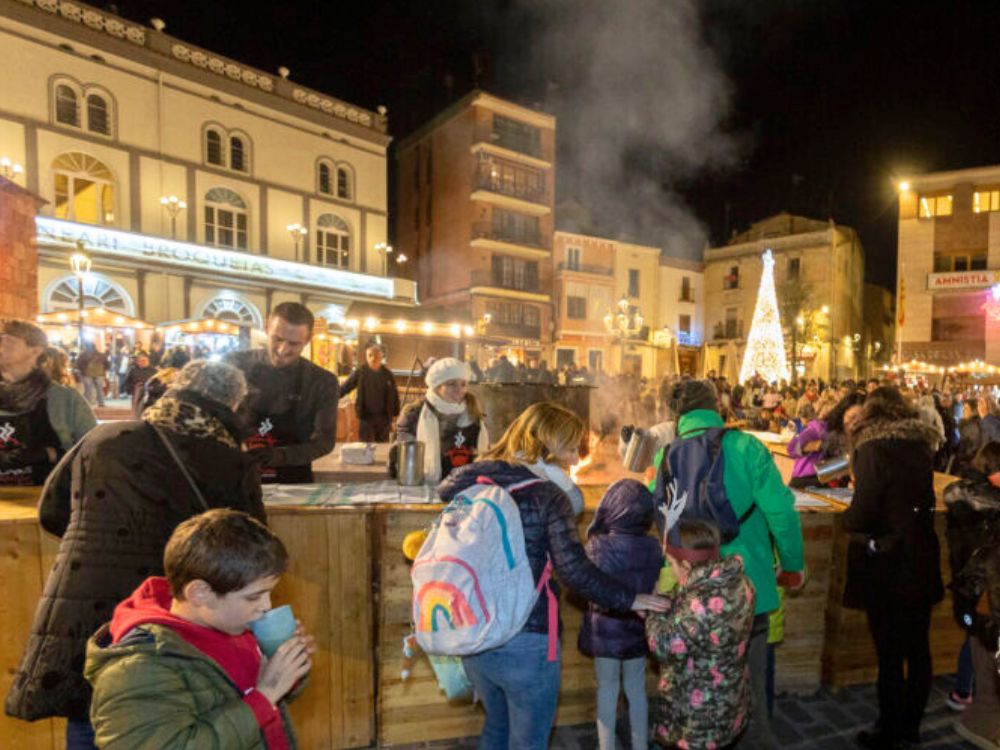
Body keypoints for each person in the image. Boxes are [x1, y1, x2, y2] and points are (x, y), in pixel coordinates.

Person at [5, 361, 264, 748]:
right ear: (232, 404)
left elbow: (52, 513)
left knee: (89, 702)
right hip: (168, 613)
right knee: (159, 718)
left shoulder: (102, 438)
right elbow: (249, 550)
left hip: (83, 604)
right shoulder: (228, 461)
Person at [438, 402, 668, 750]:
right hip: (526, 638)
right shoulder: (548, 495)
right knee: (528, 741)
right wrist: (631, 598)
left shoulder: (476, 477)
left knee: (497, 727)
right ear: (549, 442)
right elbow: (573, 569)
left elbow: (445, 490)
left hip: (475, 633)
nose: (575, 460)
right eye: (570, 448)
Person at [655, 379, 805, 749]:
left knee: (691, 692)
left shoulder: (666, 455)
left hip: (688, 592)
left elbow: (659, 519)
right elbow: (782, 511)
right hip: (746, 591)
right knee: (752, 687)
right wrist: (792, 564)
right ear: (717, 405)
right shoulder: (746, 447)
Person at [85, 509, 315, 748]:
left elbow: (260, 693)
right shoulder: (137, 669)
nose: (266, 607)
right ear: (200, 593)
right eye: (253, 597)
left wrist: (286, 667)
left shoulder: (230, 626)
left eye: (269, 593)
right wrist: (266, 695)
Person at [843, 386, 944, 749]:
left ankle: (888, 730)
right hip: (920, 557)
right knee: (918, 649)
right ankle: (911, 727)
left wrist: (849, 519)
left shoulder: (873, 448)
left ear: (872, 415)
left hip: (887, 562)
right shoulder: (919, 446)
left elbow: (863, 512)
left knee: (889, 653)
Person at [646, 519, 756, 749]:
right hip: (730, 696)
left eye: (671, 563)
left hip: (700, 713)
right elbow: (699, 626)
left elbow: (664, 645)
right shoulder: (741, 582)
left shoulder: (700, 602)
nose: (670, 570)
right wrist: (672, 603)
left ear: (686, 565)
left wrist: (653, 612)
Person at [578, 479, 663, 750]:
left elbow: (586, 587)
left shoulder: (596, 546)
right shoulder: (653, 546)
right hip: (638, 630)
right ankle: (640, 746)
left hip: (604, 632)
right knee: (637, 691)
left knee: (607, 690)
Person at [227, 302, 340, 483]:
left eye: (294, 344)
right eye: (277, 339)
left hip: (293, 479)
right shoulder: (233, 365)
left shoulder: (322, 381)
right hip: (236, 475)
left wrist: (279, 456)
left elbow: (324, 442)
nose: (283, 350)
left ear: (308, 339)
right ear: (266, 328)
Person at [942, 442, 1000, 735]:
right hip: (977, 584)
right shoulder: (969, 495)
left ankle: (967, 693)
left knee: (979, 639)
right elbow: (956, 496)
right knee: (978, 638)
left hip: (983, 584)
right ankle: (966, 693)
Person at [0, 320, 95, 486]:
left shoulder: (65, 399)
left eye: (7, 341)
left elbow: (94, 450)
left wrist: (51, 454)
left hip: (46, 500)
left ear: (35, 350)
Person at [395, 357, 490, 484]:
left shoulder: (473, 412)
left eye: (463, 384)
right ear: (436, 387)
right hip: (423, 488)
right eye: (451, 384)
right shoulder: (414, 415)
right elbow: (401, 462)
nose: (459, 390)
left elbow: (485, 456)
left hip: (466, 486)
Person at [339, 341, 400, 442]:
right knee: (365, 446)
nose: (373, 358)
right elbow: (346, 387)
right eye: (370, 355)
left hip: (384, 418)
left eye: (376, 355)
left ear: (381, 357)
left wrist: (396, 413)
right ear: (366, 356)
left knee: (382, 447)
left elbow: (394, 395)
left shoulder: (388, 375)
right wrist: (331, 397)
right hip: (366, 418)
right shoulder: (360, 372)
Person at [122, 351, 157, 418]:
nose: (143, 362)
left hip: (150, 393)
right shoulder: (133, 370)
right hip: (137, 391)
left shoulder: (154, 371)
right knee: (137, 410)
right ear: (138, 362)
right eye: (141, 361)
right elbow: (127, 382)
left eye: (145, 360)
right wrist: (131, 390)